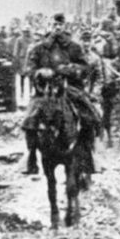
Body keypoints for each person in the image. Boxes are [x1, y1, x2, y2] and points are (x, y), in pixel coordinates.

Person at [21, 13, 100, 177]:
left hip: (71, 88)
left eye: (60, 25)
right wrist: (40, 72)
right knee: (29, 120)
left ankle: (90, 156)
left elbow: (85, 67)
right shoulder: (38, 48)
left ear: (65, 27)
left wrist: (70, 69)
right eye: (54, 25)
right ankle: (31, 157)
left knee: (90, 116)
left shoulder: (74, 47)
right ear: (49, 26)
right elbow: (28, 69)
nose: (57, 28)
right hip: (45, 91)